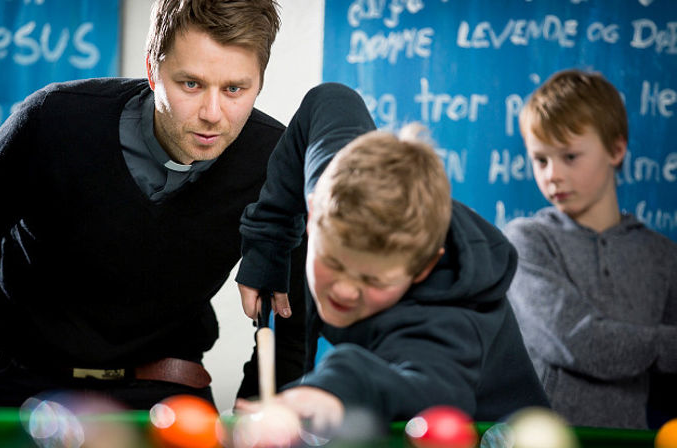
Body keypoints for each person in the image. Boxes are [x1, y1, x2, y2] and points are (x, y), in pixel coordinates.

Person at [0, 0, 307, 411]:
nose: (212, 114)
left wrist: (257, 409)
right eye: (191, 84)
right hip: (18, 376)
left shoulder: (276, 165)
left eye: (234, 89)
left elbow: (294, 314)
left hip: (162, 384)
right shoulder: (53, 119)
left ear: (258, 84)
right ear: (152, 71)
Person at [234, 82, 549, 440]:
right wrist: (269, 244)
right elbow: (331, 99)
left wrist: (330, 388)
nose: (344, 290)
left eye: (373, 280)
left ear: (422, 268)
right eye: (333, 262)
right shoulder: (340, 187)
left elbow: (426, 390)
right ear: (313, 216)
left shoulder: (448, 317)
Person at [504, 69, 677, 429]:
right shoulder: (526, 241)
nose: (552, 174)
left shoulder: (663, 257)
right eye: (540, 159)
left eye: (569, 156)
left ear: (616, 149)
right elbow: (577, 340)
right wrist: (666, 346)